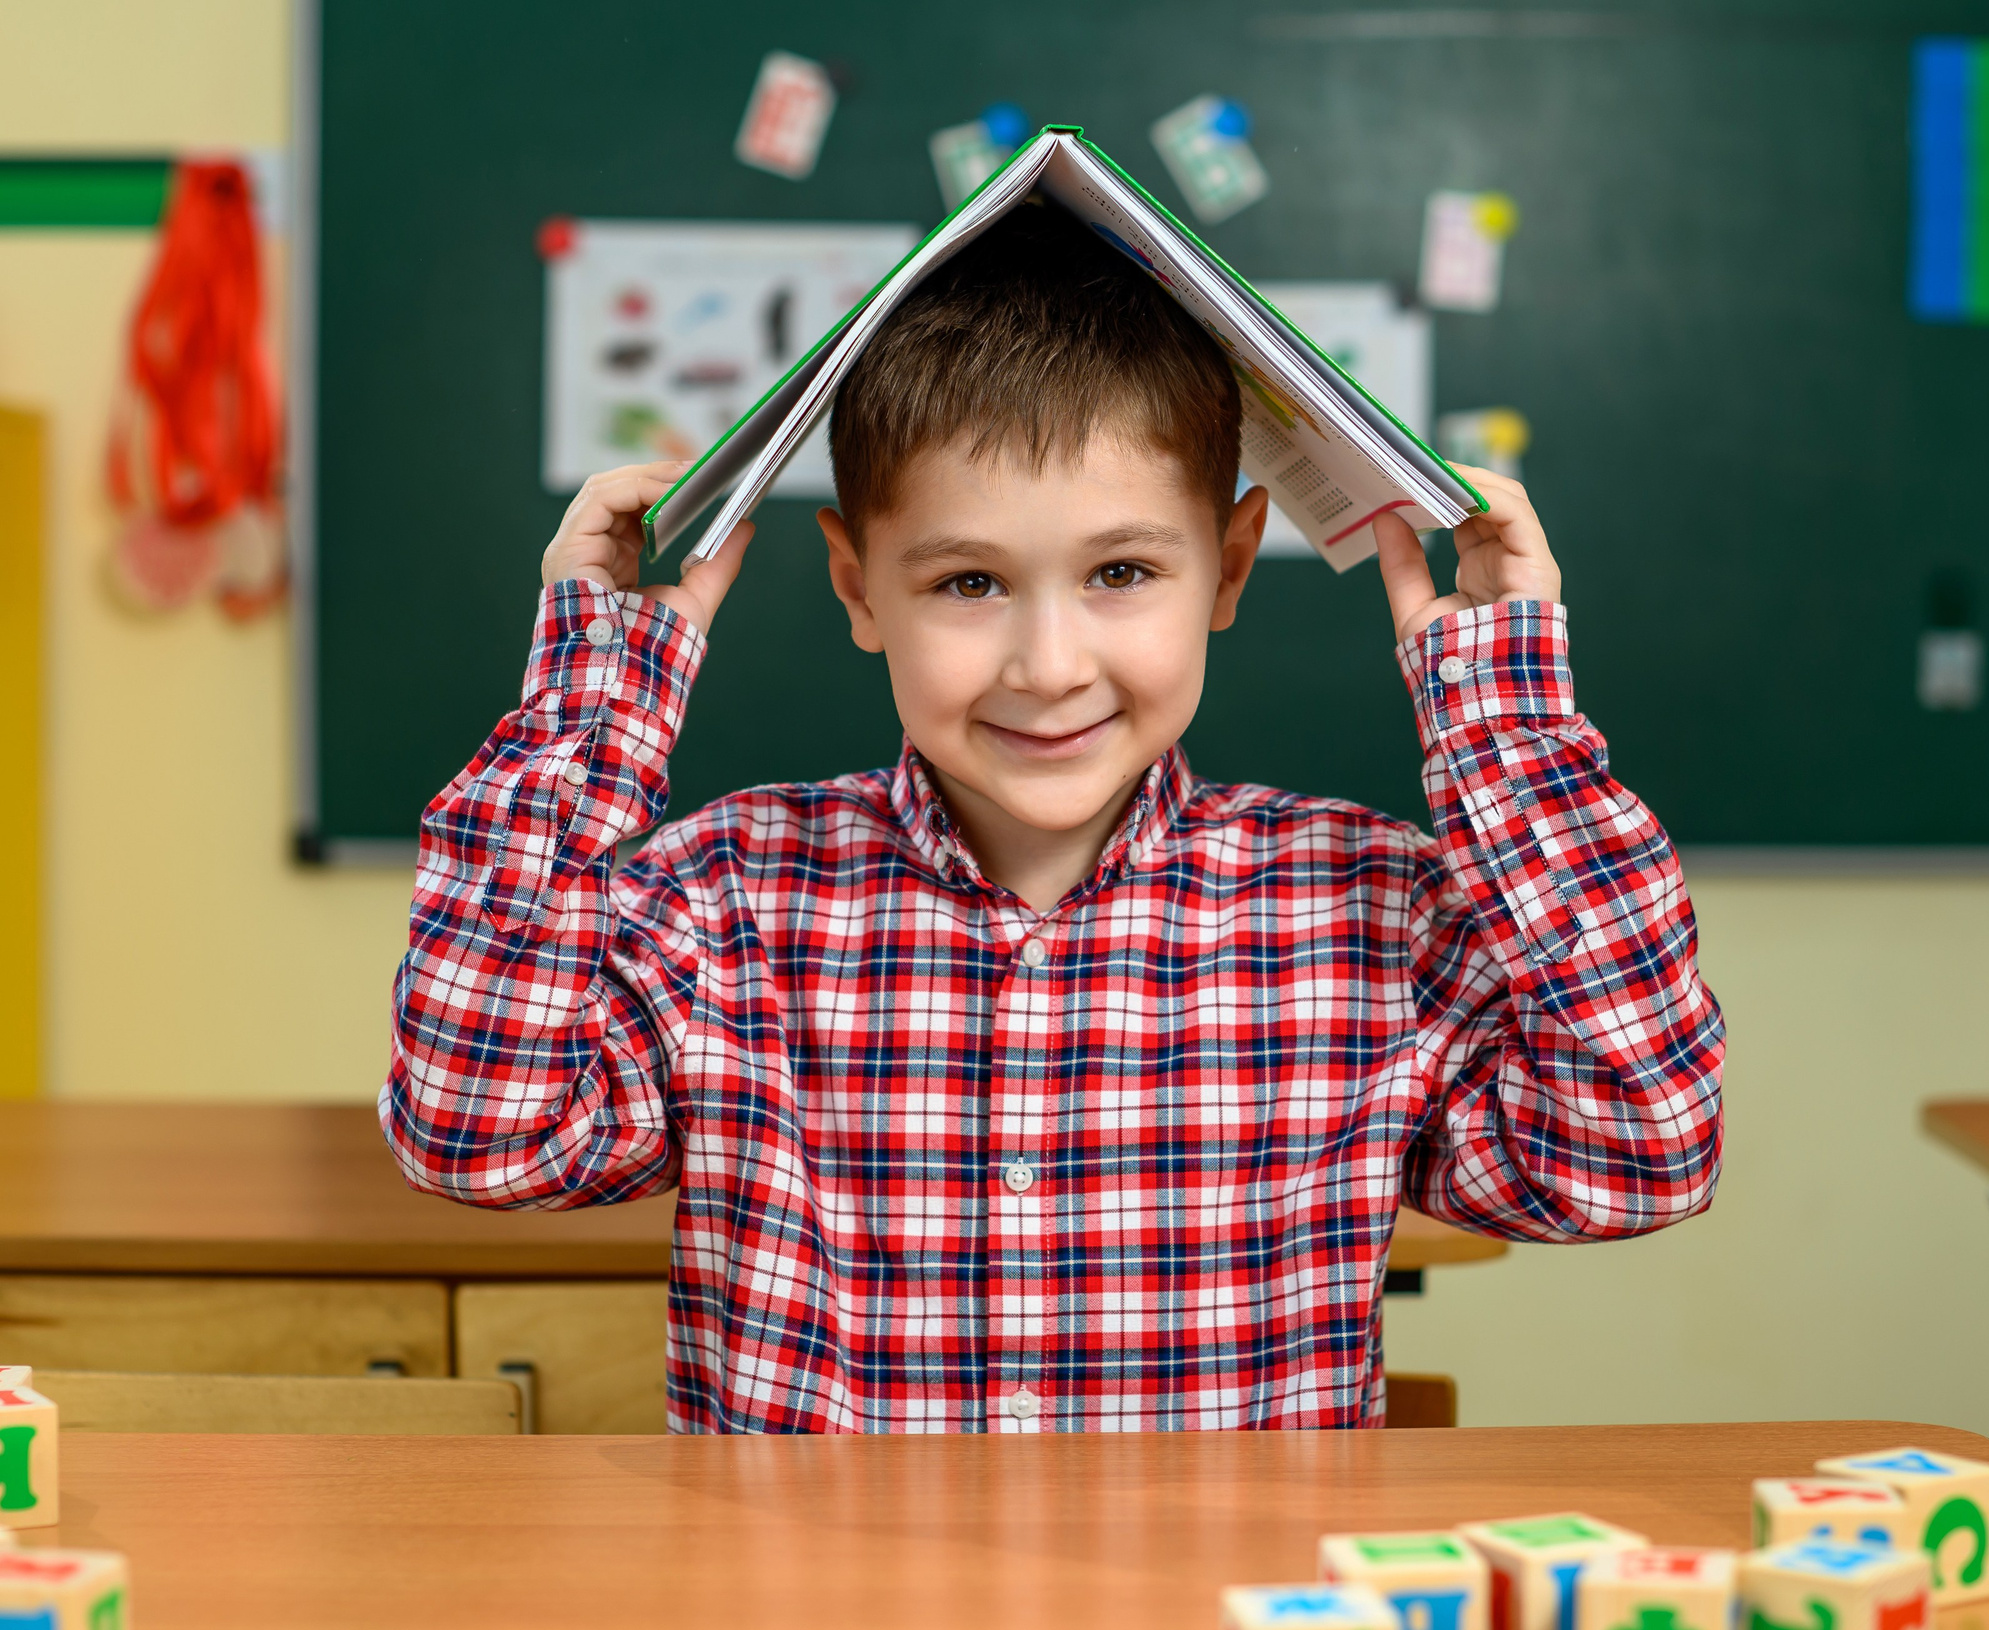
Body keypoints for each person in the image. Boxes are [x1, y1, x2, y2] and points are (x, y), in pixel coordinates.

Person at [381, 201, 1724, 1432]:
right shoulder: (724, 904)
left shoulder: (1364, 914)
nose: (1048, 664)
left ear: (1232, 565)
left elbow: (1635, 1156)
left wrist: (1505, 726)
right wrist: (589, 706)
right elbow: (476, 1131)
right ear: (858, 587)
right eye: (969, 584)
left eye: (1121, 572)